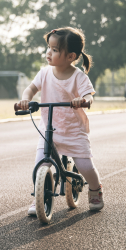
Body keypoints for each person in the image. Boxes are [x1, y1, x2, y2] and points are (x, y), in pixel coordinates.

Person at [18, 27, 104, 215]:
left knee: (86, 167)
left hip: (73, 131)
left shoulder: (79, 77)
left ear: (70, 56)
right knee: (41, 164)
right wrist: (26, 98)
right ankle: (39, 197)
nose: (49, 52)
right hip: (49, 130)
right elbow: (31, 89)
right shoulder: (45, 73)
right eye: (48, 48)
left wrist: (83, 101)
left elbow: (89, 96)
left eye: (55, 50)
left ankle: (95, 189)